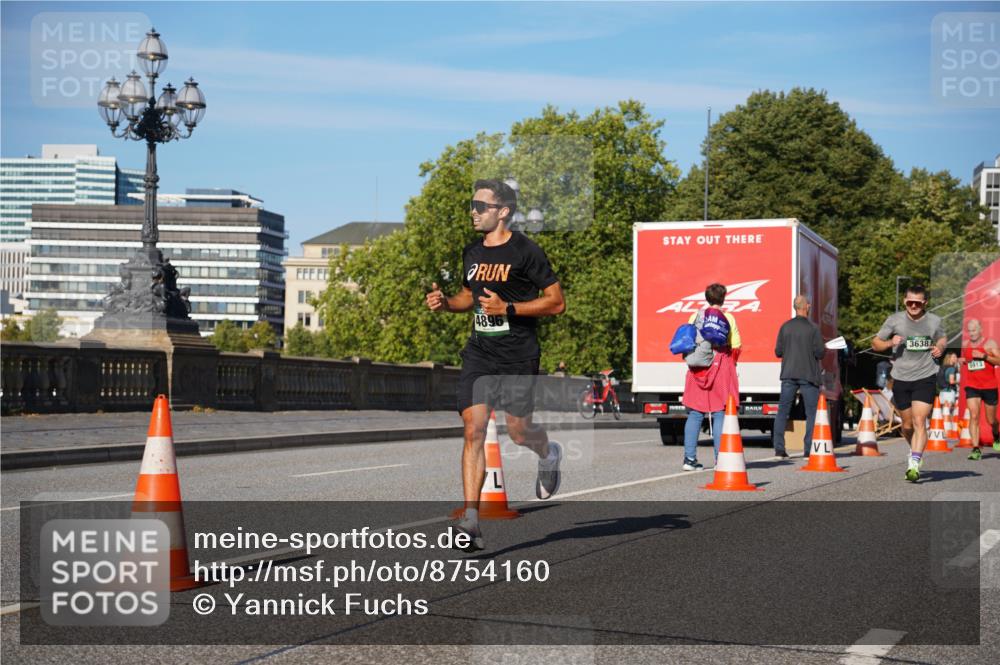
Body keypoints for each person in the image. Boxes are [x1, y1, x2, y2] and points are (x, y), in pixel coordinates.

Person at [425, 178, 565, 551]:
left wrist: (510, 309)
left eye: (480, 206)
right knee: (474, 430)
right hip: (480, 353)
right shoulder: (472, 252)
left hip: (519, 354)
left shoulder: (526, 252)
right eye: (472, 205)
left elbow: (556, 302)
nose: (473, 211)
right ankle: (471, 521)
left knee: (519, 433)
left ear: (502, 211)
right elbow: (467, 299)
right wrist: (445, 303)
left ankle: (548, 453)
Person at [871, 285, 947, 482]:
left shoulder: (934, 321)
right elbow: (875, 343)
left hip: (926, 376)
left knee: (919, 421)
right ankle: (913, 449)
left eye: (917, 303)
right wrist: (890, 343)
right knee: (906, 426)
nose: (913, 306)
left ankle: (914, 463)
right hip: (901, 377)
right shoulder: (894, 320)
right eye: (909, 302)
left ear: (924, 303)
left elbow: (942, 338)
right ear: (904, 301)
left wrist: (939, 347)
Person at [680, 283, 740, 471]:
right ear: (723, 298)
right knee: (720, 411)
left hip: (698, 368)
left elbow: (688, 340)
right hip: (720, 367)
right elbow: (736, 346)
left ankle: (689, 460)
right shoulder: (728, 318)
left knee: (695, 413)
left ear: (707, 298)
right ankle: (720, 460)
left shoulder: (695, 316)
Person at [772, 295, 826, 459]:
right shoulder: (813, 328)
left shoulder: (785, 327)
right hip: (808, 375)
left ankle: (779, 449)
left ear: (796, 307)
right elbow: (820, 353)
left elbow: (778, 352)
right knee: (811, 413)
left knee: (783, 411)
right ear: (807, 307)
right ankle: (808, 450)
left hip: (788, 374)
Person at [957, 318, 1000, 461]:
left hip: (989, 386)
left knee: (991, 420)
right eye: (969, 331)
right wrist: (961, 360)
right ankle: (976, 449)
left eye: (974, 330)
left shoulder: (990, 343)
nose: (971, 333)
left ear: (981, 329)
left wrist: (985, 356)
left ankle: (996, 435)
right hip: (972, 386)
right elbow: (966, 360)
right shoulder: (965, 344)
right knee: (974, 416)